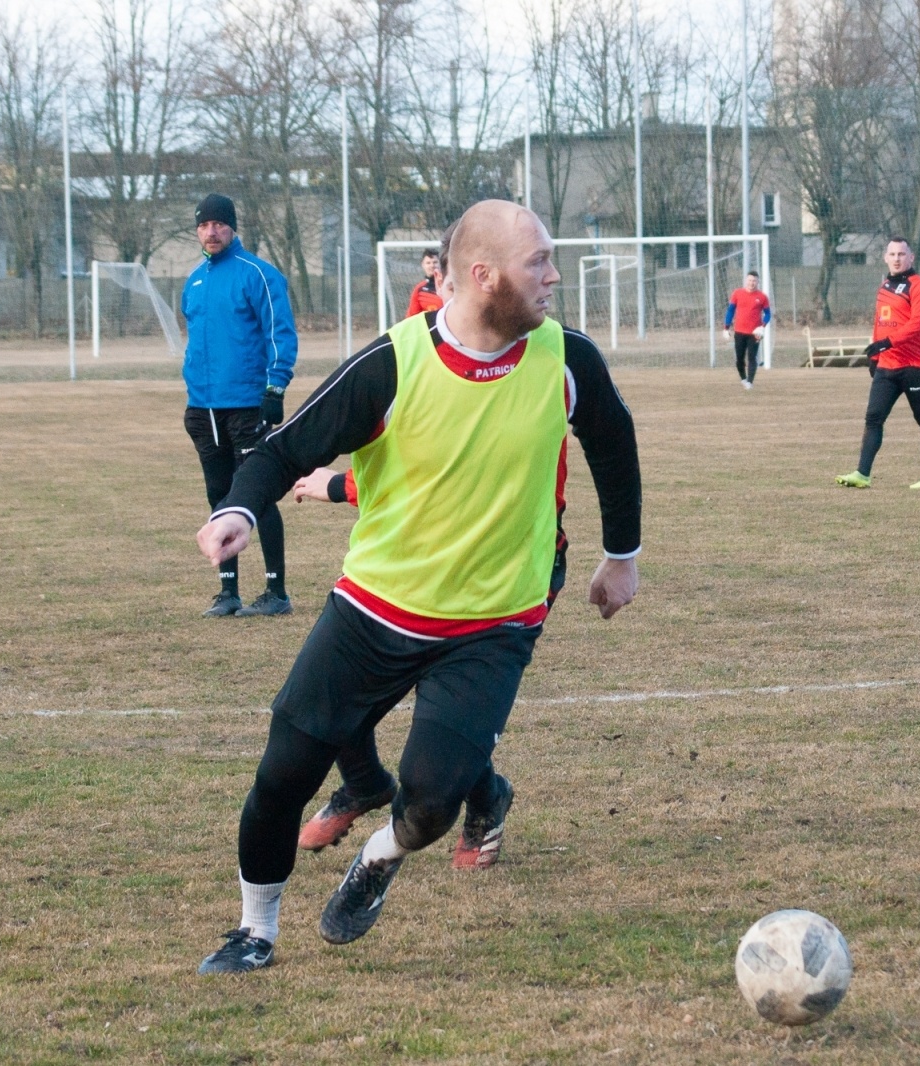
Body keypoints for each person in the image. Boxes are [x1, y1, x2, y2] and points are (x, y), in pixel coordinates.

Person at [192, 199, 642, 974]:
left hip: (494, 624)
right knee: (282, 776)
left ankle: (379, 853)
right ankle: (255, 930)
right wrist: (238, 505)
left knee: (433, 801)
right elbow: (286, 446)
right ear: (483, 275)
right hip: (373, 612)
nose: (554, 275)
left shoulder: (568, 359)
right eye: (539, 261)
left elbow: (614, 441)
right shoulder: (392, 364)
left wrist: (622, 554)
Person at [181, 193, 299, 617]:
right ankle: (228, 591)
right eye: (204, 225)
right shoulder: (194, 281)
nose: (211, 231)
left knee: (257, 494)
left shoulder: (259, 275)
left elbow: (279, 334)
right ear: (197, 230)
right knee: (219, 496)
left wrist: (275, 389)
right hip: (204, 408)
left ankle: (276, 592)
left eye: (219, 223)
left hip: (248, 404)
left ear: (232, 226)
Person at [834, 236, 920, 489]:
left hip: (915, 365)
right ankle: (862, 474)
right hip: (887, 366)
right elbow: (880, 323)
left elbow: (917, 324)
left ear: (911, 257)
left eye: (902, 254)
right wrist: (875, 356)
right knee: (873, 418)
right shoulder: (884, 286)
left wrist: (888, 342)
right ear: (885, 257)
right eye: (892, 254)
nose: (897, 259)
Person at [723, 271, 771, 389]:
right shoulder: (737, 293)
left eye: (754, 280)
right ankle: (744, 378)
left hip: (755, 333)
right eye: (750, 280)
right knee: (739, 358)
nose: (752, 283)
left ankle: (750, 382)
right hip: (739, 331)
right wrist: (726, 328)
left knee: (752, 356)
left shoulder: (762, 297)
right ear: (746, 281)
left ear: (757, 282)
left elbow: (768, 314)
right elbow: (730, 311)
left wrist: (762, 326)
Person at [404, 248, 444, 319]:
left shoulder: (448, 286)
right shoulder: (419, 289)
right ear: (423, 265)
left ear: (440, 263)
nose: (432, 265)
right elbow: (411, 316)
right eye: (428, 263)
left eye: (435, 262)